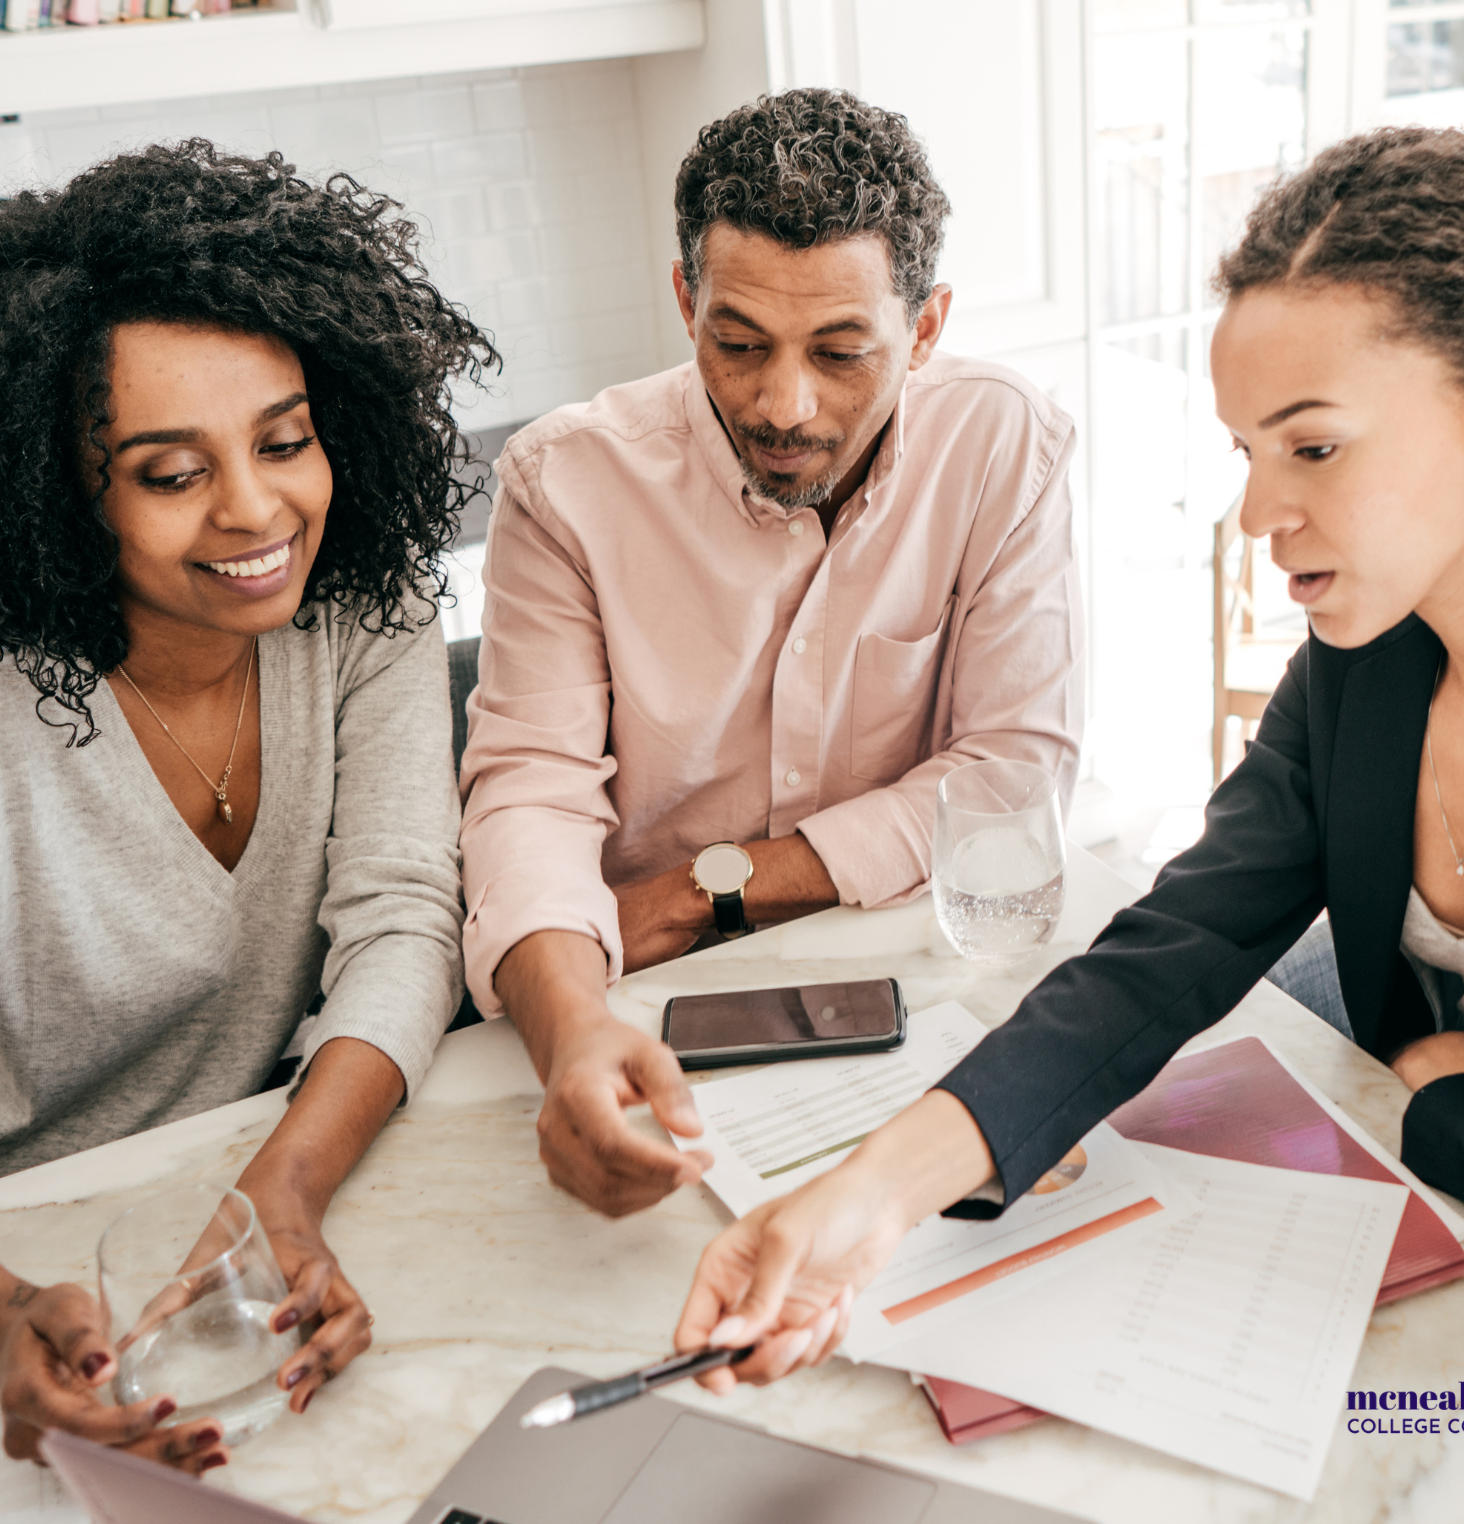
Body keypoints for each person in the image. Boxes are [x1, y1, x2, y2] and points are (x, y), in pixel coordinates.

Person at [672, 118, 1464, 1381]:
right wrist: (865, 1202)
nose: (1259, 513)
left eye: (1314, 446)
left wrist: (1439, 1090)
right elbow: (1175, 943)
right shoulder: (1372, 653)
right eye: (1248, 452)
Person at [0, 141, 491, 1468]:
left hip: (278, 1178)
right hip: (9, 1249)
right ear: (61, 489)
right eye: (170, 471)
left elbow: (403, 920)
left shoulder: (367, 606)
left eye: (284, 439)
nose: (256, 507)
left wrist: (285, 1186)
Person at [459, 89, 1084, 1218]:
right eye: (735, 344)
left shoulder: (1002, 442)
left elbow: (1012, 777)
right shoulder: (565, 483)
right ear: (684, 300)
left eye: (842, 353)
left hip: (907, 976)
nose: (782, 404)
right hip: (644, 1001)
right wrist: (571, 1044)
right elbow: (529, 798)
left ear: (926, 329)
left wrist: (712, 889)